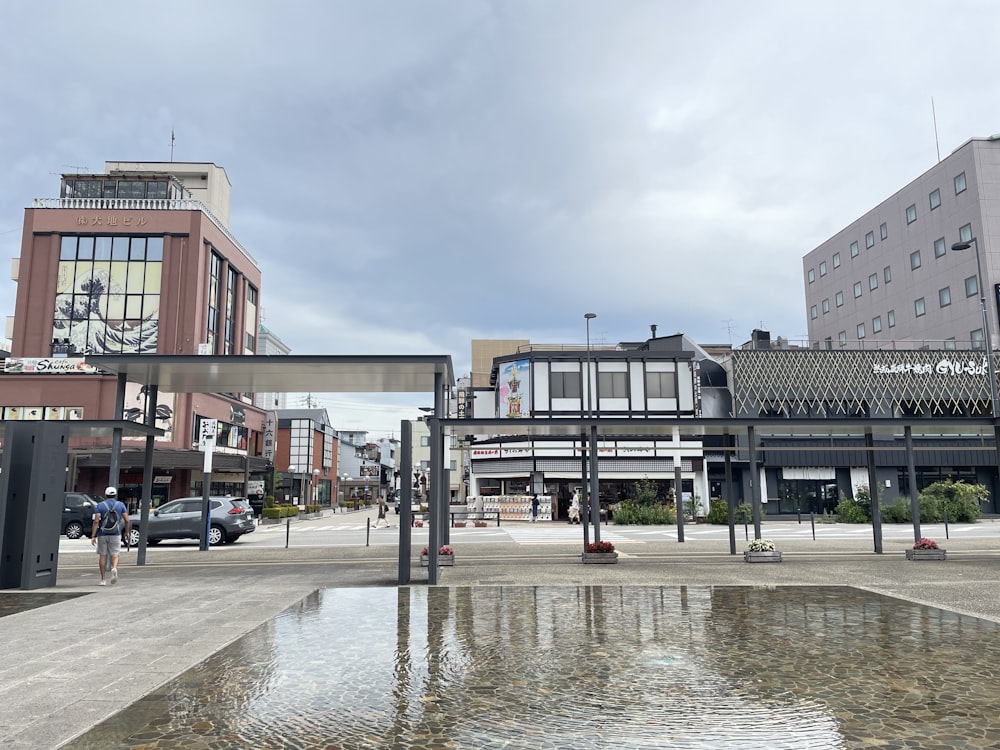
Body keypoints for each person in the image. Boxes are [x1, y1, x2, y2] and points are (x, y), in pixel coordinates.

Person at [91, 486, 130, 586]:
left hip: (102, 534)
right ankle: (114, 568)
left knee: (102, 555)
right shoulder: (120, 505)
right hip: (116, 533)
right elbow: (126, 520)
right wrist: (126, 532)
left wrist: (93, 535)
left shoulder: (100, 505)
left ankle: (103, 579)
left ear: (106, 494)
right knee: (115, 554)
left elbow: (96, 521)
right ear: (115, 495)